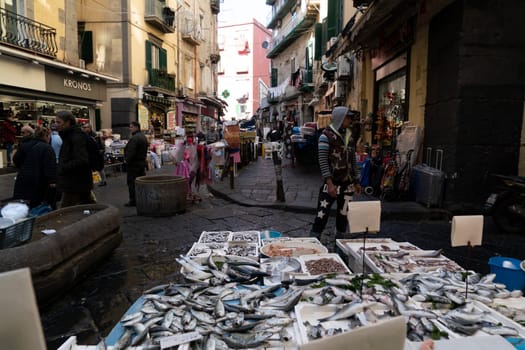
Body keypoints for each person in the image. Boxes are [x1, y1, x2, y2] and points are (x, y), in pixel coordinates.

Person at [310, 106, 361, 240]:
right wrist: (329, 183)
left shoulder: (349, 137)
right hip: (331, 183)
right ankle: (313, 241)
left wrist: (356, 180)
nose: (350, 120)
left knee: (343, 216)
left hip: (347, 184)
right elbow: (323, 161)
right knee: (322, 214)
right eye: (347, 117)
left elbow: (353, 159)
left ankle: (340, 244)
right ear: (340, 118)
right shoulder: (325, 136)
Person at [12, 126, 57, 209]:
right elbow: (50, 166)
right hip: (40, 181)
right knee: (41, 205)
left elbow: (15, 159)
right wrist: (53, 180)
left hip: (25, 178)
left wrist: (23, 168)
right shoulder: (47, 148)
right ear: (46, 136)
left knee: (30, 204)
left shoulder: (24, 145)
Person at [55, 110, 93, 207]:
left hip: (75, 182)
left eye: (58, 122)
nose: (56, 125)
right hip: (76, 182)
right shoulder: (69, 135)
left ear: (67, 122)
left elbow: (81, 160)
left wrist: (63, 167)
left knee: (65, 213)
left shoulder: (76, 137)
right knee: (87, 206)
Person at [124, 121, 148, 207]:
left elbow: (131, 152)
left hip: (134, 164)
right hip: (141, 163)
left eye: (131, 127)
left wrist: (127, 160)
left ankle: (133, 200)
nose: (130, 129)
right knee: (140, 182)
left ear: (136, 127)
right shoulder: (142, 136)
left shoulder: (135, 138)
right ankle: (141, 198)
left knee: (132, 183)